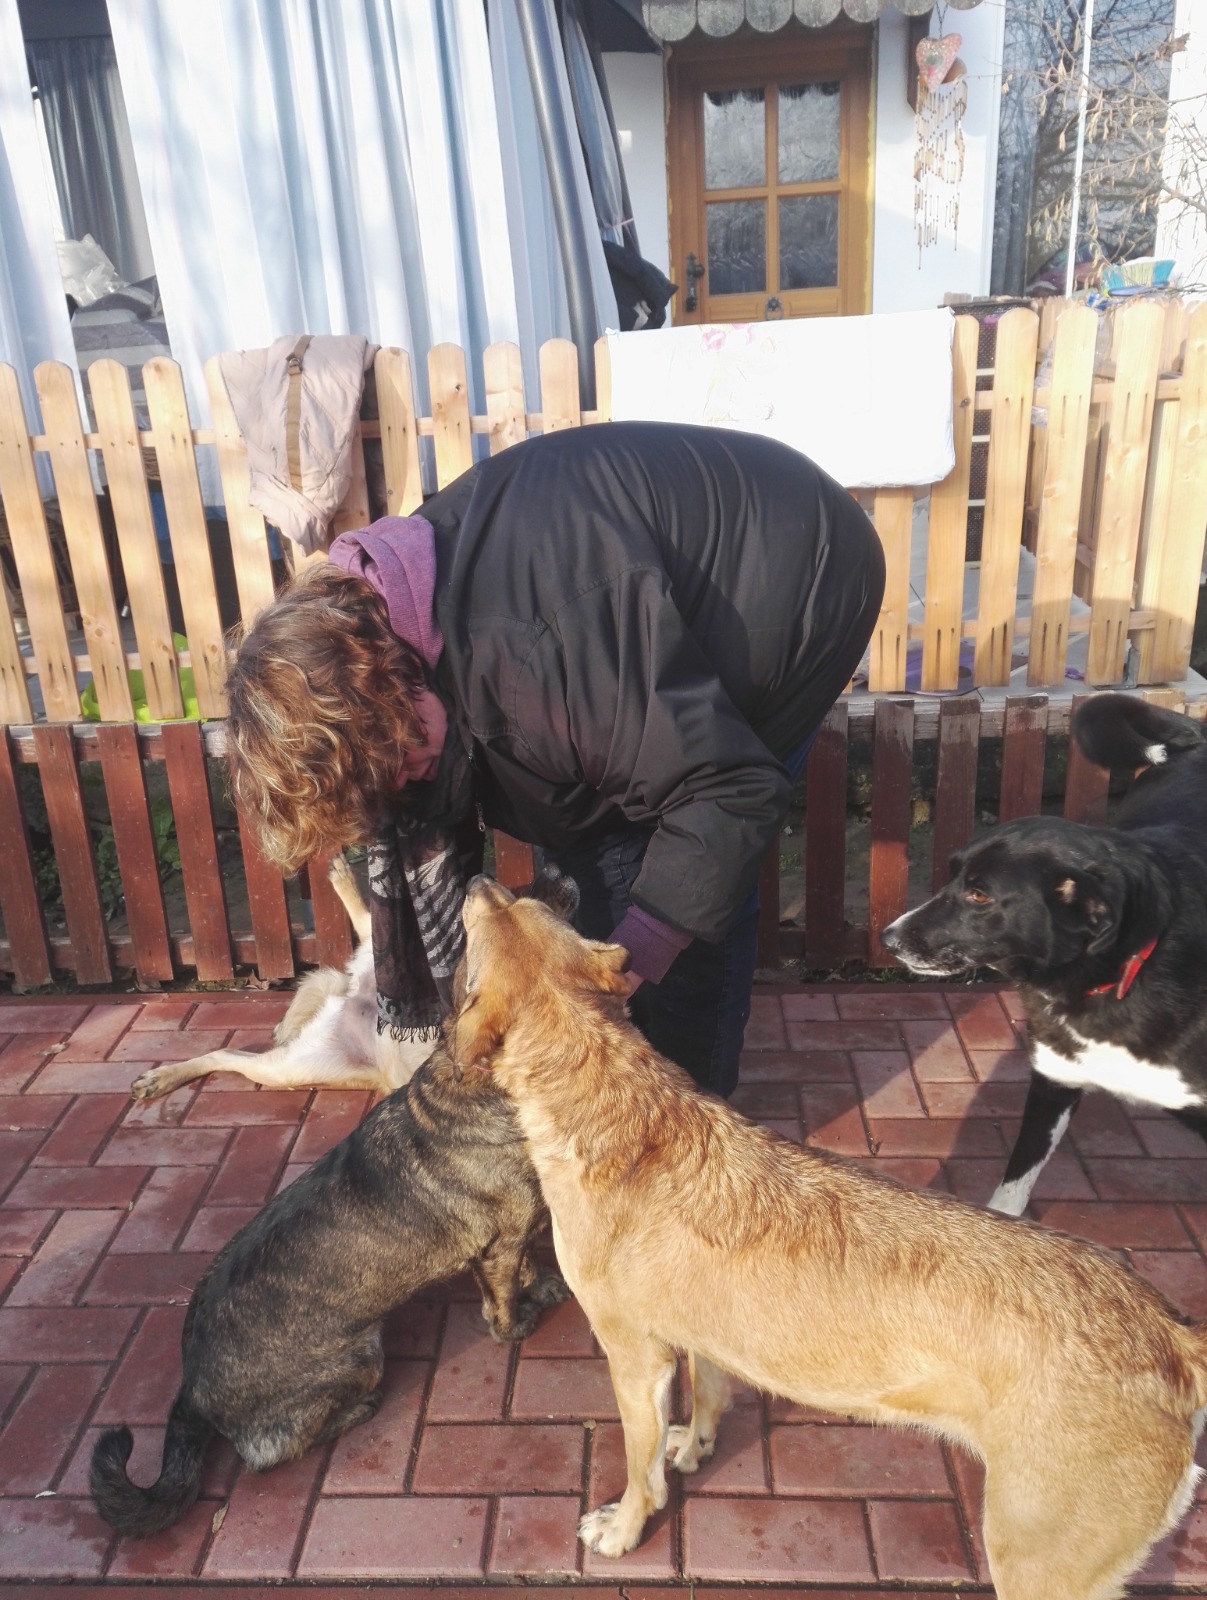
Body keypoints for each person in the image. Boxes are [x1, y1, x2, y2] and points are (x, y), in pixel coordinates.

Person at [226, 421, 885, 1098]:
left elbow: (725, 790)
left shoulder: (530, 654)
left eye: (395, 767)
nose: (401, 791)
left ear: (392, 696)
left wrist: (626, 965)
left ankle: (690, 1112)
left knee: (683, 885)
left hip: (795, 577)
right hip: (617, 602)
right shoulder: (393, 618)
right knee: (596, 858)